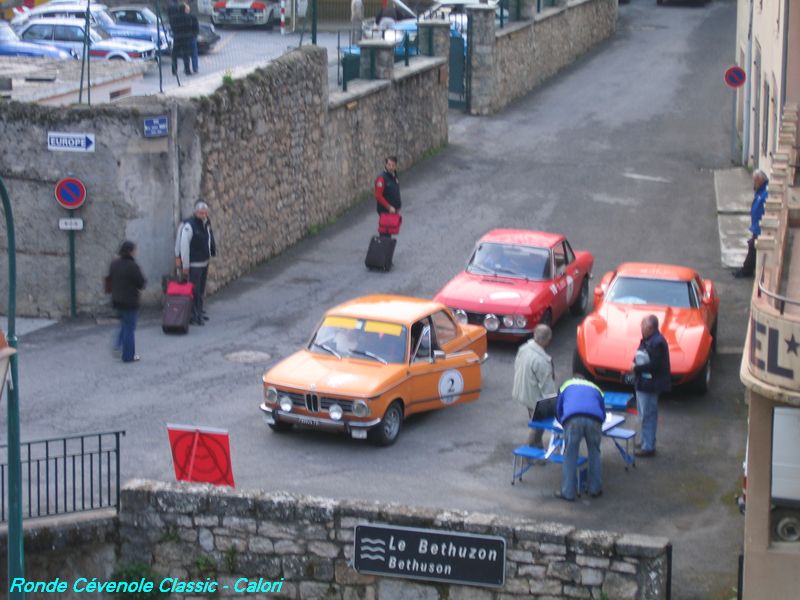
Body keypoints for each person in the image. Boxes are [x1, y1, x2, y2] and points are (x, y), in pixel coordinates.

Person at [555, 375, 605, 501]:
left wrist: (563, 422)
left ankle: (568, 492)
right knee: (595, 452)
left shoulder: (566, 386)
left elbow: (558, 409)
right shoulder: (596, 388)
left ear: (573, 379)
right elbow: (602, 411)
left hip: (573, 419)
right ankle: (595, 489)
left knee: (570, 454)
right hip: (594, 419)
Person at [512, 324, 557, 449]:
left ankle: (537, 445)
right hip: (533, 397)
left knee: (535, 419)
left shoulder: (524, 348)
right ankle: (530, 449)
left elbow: (517, 366)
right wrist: (554, 404)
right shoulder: (542, 361)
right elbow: (547, 388)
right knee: (538, 423)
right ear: (548, 340)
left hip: (522, 390)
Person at [632, 314, 671, 457]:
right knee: (644, 415)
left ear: (649, 328)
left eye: (642, 326)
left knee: (647, 415)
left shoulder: (657, 343)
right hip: (644, 384)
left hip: (649, 385)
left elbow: (654, 365)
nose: (641, 329)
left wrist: (636, 368)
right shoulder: (650, 340)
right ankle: (645, 441)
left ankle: (648, 446)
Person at [176, 201, 217, 326]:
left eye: (205, 212)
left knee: (201, 290)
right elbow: (183, 246)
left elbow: (209, 238)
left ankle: (199, 311)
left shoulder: (206, 223)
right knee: (194, 290)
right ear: (195, 212)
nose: (203, 214)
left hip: (204, 262)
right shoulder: (189, 225)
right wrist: (185, 266)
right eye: (201, 212)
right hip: (194, 264)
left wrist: (210, 252)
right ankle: (194, 315)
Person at [108, 241, 146, 363]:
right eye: (134, 250)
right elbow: (141, 283)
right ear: (130, 251)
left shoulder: (114, 264)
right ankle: (128, 355)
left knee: (124, 324)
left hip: (117, 300)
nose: (136, 252)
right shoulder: (132, 266)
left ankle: (117, 346)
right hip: (130, 302)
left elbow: (109, 280)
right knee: (129, 327)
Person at [733, 169, 768, 278]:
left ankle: (746, 270)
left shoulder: (765, 192)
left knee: (753, 248)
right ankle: (747, 269)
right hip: (757, 227)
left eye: (755, 181)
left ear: (760, 181)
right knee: (753, 247)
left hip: (760, 228)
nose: (754, 184)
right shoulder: (761, 191)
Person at [170, 2, 193, 76]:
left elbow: (172, 27)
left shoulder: (174, 17)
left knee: (174, 55)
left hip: (177, 37)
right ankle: (187, 70)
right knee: (186, 54)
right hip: (185, 37)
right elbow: (190, 27)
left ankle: (174, 70)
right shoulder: (188, 17)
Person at [188, 4, 200, 75]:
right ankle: (188, 67)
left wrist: (195, 34)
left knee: (193, 52)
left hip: (192, 36)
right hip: (188, 36)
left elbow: (196, 26)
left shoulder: (193, 17)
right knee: (188, 53)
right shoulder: (184, 17)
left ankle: (195, 67)